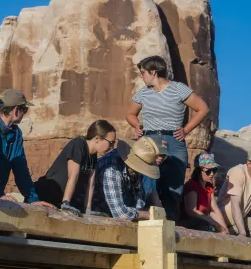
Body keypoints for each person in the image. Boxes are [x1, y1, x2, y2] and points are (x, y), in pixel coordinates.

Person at [126, 55, 210, 222]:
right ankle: (148, 221)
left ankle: (170, 226)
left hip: (173, 142)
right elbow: (130, 114)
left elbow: (202, 108)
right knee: (148, 183)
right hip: (150, 141)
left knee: (173, 187)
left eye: (143, 73)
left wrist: (186, 130)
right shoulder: (143, 93)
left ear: (153, 72)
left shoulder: (178, 89)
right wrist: (136, 125)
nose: (142, 76)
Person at [0, 89, 52, 207]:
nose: (25, 113)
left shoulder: (16, 133)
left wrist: (33, 199)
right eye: (25, 109)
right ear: (16, 109)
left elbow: (21, 170)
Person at [34, 120, 116, 215]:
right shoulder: (78, 144)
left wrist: (88, 208)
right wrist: (66, 203)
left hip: (60, 200)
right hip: (46, 195)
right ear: (97, 138)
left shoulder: (93, 155)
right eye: (110, 143)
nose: (112, 147)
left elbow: (91, 183)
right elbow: (73, 175)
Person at [91, 137, 164, 220]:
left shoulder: (135, 167)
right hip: (98, 214)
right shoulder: (111, 170)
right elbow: (120, 214)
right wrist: (148, 215)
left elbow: (138, 202)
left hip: (117, 211)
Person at [179, 153, 228, 233]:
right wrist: (213, 222)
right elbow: (191, 211)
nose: (212, 174)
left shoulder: (208, 187)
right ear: (199, 171)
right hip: (190, 224)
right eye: (208, 171)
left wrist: (224, 229)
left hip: (203, 222)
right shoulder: (192, 186)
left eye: (214, 170)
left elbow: (215, 210)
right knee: (206, 225)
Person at [217, 152, 251, 237]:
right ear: (249, 164)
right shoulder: (238, 172)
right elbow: (235, 205)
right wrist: (242, 233)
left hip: (239, 222)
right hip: (222, 222)